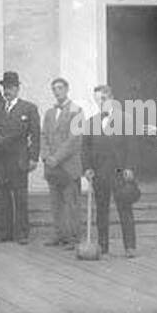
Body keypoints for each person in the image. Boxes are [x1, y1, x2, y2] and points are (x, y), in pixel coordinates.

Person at [82, 85, 137, 257]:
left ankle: (130, 246)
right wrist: (87, 168)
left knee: (125, 209)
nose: (101, 103)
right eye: (97, 100)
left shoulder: (125, 120)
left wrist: (130, 167)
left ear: (111, 98)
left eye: (103, 99)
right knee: (101, 211)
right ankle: (103, 245)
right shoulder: (91, 122)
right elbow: (85, 149)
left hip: (120, 172)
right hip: (100, 173)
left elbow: (133, 146)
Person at [0, 72, 40, 243]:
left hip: (18, 159)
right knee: (2, 197)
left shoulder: (28, 108)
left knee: (20, 197)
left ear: (17, 88)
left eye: (10, 87)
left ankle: (22, 232)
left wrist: (33, 158)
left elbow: (35, 135)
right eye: (5, 88)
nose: (7, 91)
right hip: (0, 160)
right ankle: (4, 231)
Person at [41, 77, 83, 246]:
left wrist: (56, 158)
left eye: (60, 88)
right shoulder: (50, 113)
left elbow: (74, 140)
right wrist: (45, 156)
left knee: (71, 203)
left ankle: (73, 237)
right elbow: (43, 135)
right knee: (55, 202)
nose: (57, 91)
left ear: (67, 89)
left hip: (68, 165)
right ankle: (59, 234)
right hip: (51, 166)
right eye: (54, 89)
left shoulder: (77, 110)